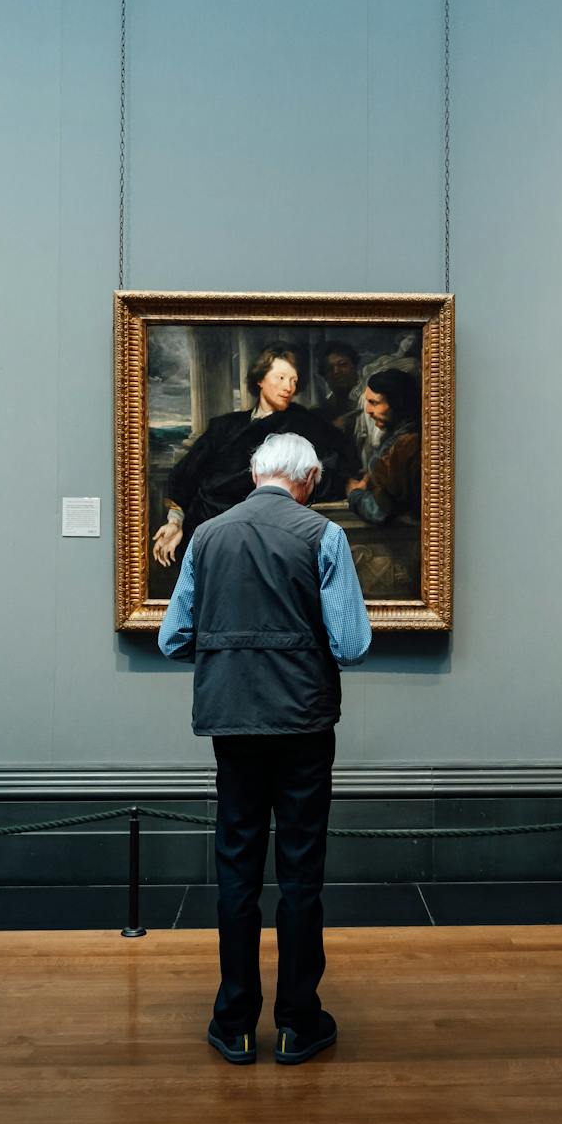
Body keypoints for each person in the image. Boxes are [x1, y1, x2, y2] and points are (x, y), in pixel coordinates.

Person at [158, 432, 372, 1067]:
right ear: (305, 481)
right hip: (304, 723)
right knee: (301, 874)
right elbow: (352, 643)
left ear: (255, 475)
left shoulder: (208, 536)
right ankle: (299, 1022)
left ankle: (234, 1020)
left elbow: (174, 637)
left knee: (237, 870)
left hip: (232, 721)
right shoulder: (322, 536)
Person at [151, 346, 360, 568]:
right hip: (202, 522)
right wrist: (175, 522)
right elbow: (185, 473)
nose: (288, 387)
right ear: (260, 379)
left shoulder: (304, 423)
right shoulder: (224, 425)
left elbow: (334, 464)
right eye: (280, 378)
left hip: (255, 529)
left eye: (293, 381)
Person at [345, 369, 422, 525]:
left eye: (374, 402)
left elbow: (380, 512)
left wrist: (355, 494)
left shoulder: (407, 445)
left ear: (397, 403)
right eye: (368, 402)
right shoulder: (398, 437)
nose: (368, 410)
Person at [314, 340, 361, 428]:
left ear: (354, 366)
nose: (336, 371)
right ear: (324, 376)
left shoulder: (370, 400)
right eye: (329, 368)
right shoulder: (320, 413)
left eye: (343, 364)